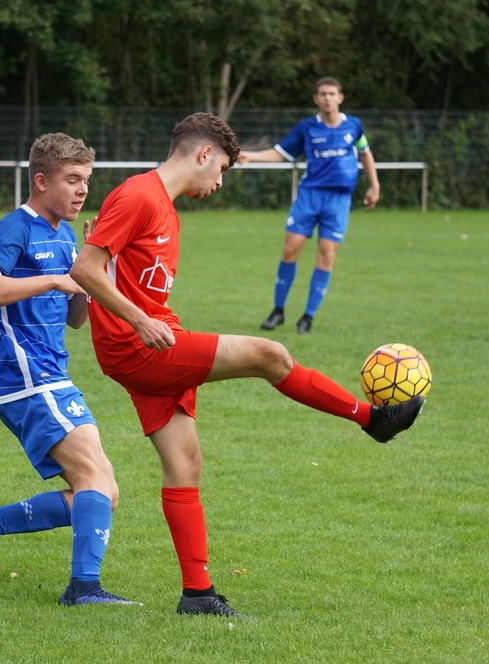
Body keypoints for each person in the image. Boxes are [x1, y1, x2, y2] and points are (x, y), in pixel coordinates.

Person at [70, 112, 422, 618]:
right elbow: (86, 267)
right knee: (269, 354)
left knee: (185, 465)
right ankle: (373, 420)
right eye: (223, 171)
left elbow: (105, 268)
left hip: (148, 344)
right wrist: (139, 319)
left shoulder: (165, 209)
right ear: (203, 154)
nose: (219, 183)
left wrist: (136, 307)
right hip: (143, 346)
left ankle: (198, 595)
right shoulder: (139, 195)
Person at [0, 133, 136, 607]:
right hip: (25, 374)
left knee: (102, 493)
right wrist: (52, 277)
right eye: (72, 179)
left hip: (50, 371)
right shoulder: (15, 229)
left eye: (86, 180)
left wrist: (90, 279)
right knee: (94, 480)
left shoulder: (65, 234)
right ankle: (84, 589)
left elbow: (73, 318)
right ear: (42, 180)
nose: (82, 190)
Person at [238, 77, 380, 334]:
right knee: (291, 250)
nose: (328, 98)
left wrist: (375, 184)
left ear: (340, 97)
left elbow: (365, 152)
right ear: (316, 99)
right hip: (309, 196)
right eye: (323, 94)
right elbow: (281, 153)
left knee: (327, 254)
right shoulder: (306, 128)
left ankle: (308, 317)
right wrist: (251, 156)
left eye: (332, 93)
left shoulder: (354, 127)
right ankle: (278, 311)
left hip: (338, 200)